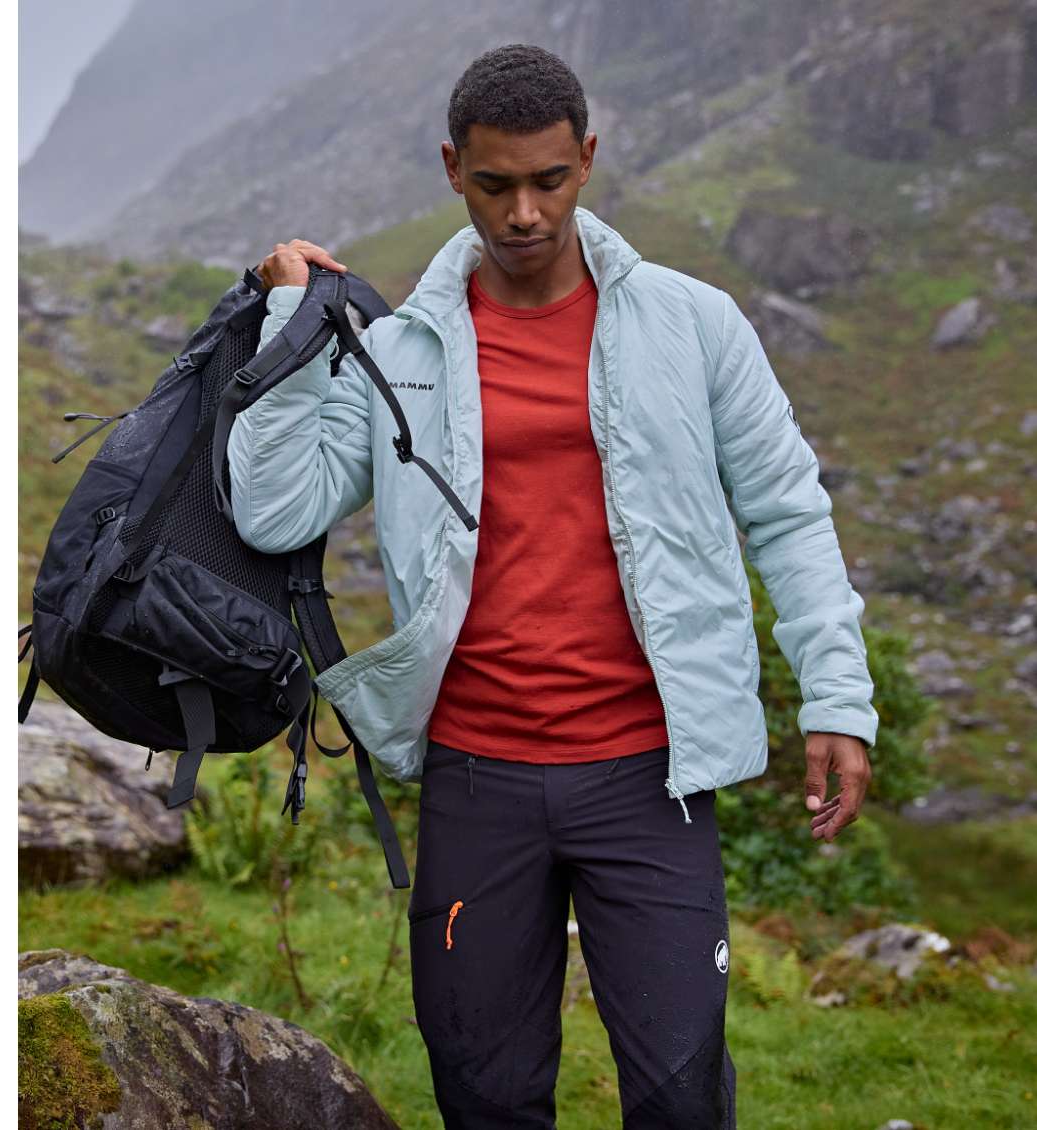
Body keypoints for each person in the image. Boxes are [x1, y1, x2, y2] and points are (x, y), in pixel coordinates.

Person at [226, 44, 875, 1130]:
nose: (523, 212)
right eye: (494, 185)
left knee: (677, 1094)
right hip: (476, 774)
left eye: (549, 180)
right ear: (451, 167)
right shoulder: (400, 348)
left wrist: (837, 697)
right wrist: (289, 327)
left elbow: (789, 513)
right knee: (485, 1093)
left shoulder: (695, 324)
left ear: (588, 159)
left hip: (651, 779)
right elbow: (275, 509)